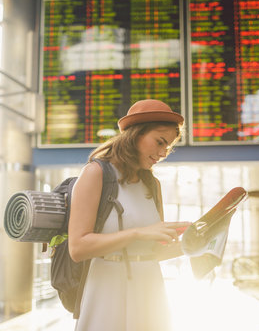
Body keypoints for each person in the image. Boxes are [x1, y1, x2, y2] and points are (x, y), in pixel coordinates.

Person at [69, 99, 191, 331]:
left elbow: (153, 250)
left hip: (150, 290)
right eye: (159, 142)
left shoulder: (152, 185)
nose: (163, 153)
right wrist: (138, 233)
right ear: (135, 135)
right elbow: (77, 247)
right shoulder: (96, 174)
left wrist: (193, 244)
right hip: (107, 290)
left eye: (168, 147)